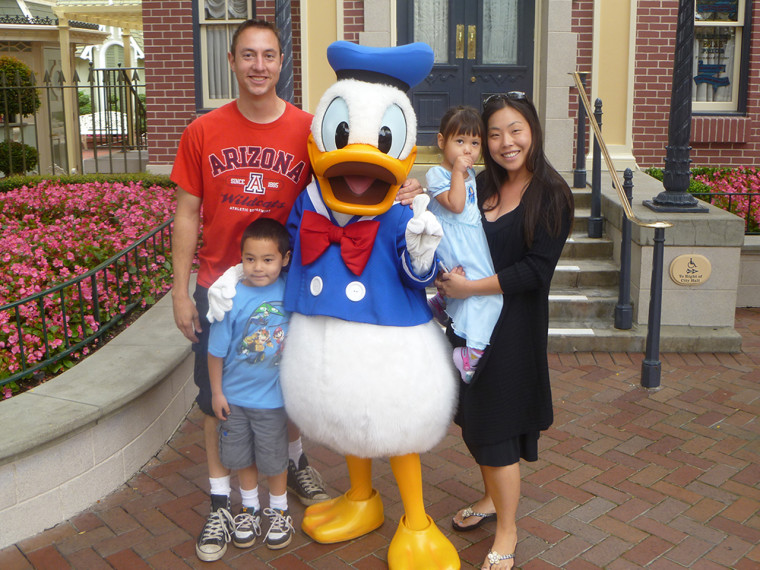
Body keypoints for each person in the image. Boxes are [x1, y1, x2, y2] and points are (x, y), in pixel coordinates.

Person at [169, 19, 423, 562]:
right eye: (248, 56)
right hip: (222, 286)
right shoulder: (203, 130)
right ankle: (224, 505)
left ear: (281, 63)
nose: (259, 66)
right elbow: (186, 213)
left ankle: (293, 472)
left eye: (269, 55)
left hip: (290, 291)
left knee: (287, 392)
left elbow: (354, 183)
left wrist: (406, 190)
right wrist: (181, 290)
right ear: (232, 62)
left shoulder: (312, 127)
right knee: (220, 403)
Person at [436, 92, 574, 570]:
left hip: (512, 332)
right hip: (469, 325)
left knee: (495, 428)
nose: (503, 142)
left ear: (532, 131)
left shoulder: (552, 195)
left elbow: (536, 271)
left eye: (514, 129)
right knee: (474, 422)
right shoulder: (478, 185)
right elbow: (451, 226)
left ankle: (509, 530)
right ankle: (493, 499)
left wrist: (471, 286)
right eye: (493, 133)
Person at [207, 219, 294, 558]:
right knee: (241, 457)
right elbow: (215, 352)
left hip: (273, 400)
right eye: (250, 259)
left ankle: (279, 510)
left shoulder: (290, 290)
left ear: (284, 259)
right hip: (235, 399)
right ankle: (249, 509)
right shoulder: (229, 298)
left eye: (268, 259)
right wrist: (216, 393)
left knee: (274, 458)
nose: (258, 267)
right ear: (240, 258)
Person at [425, 105, 502, 383]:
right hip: (453, 242)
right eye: (460, 141)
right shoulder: (437, 173)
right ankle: (470, 354)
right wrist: (457, 171)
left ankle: (442, 302)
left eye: (474, 143)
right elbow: (456, 205)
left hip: (470, 240)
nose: (467, 150)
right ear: (442, 141)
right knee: (487, 293)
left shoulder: (470, 176)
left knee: (484, 290)